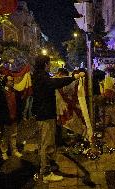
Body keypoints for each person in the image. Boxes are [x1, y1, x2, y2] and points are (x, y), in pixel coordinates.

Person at [31, 55, 85, 183]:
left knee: (46, 142)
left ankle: (48, 165)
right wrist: (73, 77)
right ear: (45, 64)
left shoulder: (39, 75)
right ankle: (45, 173)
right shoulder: (42, 77)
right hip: (45, 115)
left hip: (44, 113)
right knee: (46, 143)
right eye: (48, 63)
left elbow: (54, 81)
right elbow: (55, 83)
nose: (49, 65)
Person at [1, 75, 23, 160]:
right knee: (5, 136)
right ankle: (4, 151)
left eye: (12, 80)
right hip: (6, 117)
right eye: (10, 80)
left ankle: (14, 150)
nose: (12, 82)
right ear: (6, 82)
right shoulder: (2, 92)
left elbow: (19, 105)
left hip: (15, 117)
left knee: (14, 134)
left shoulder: (15, 92)